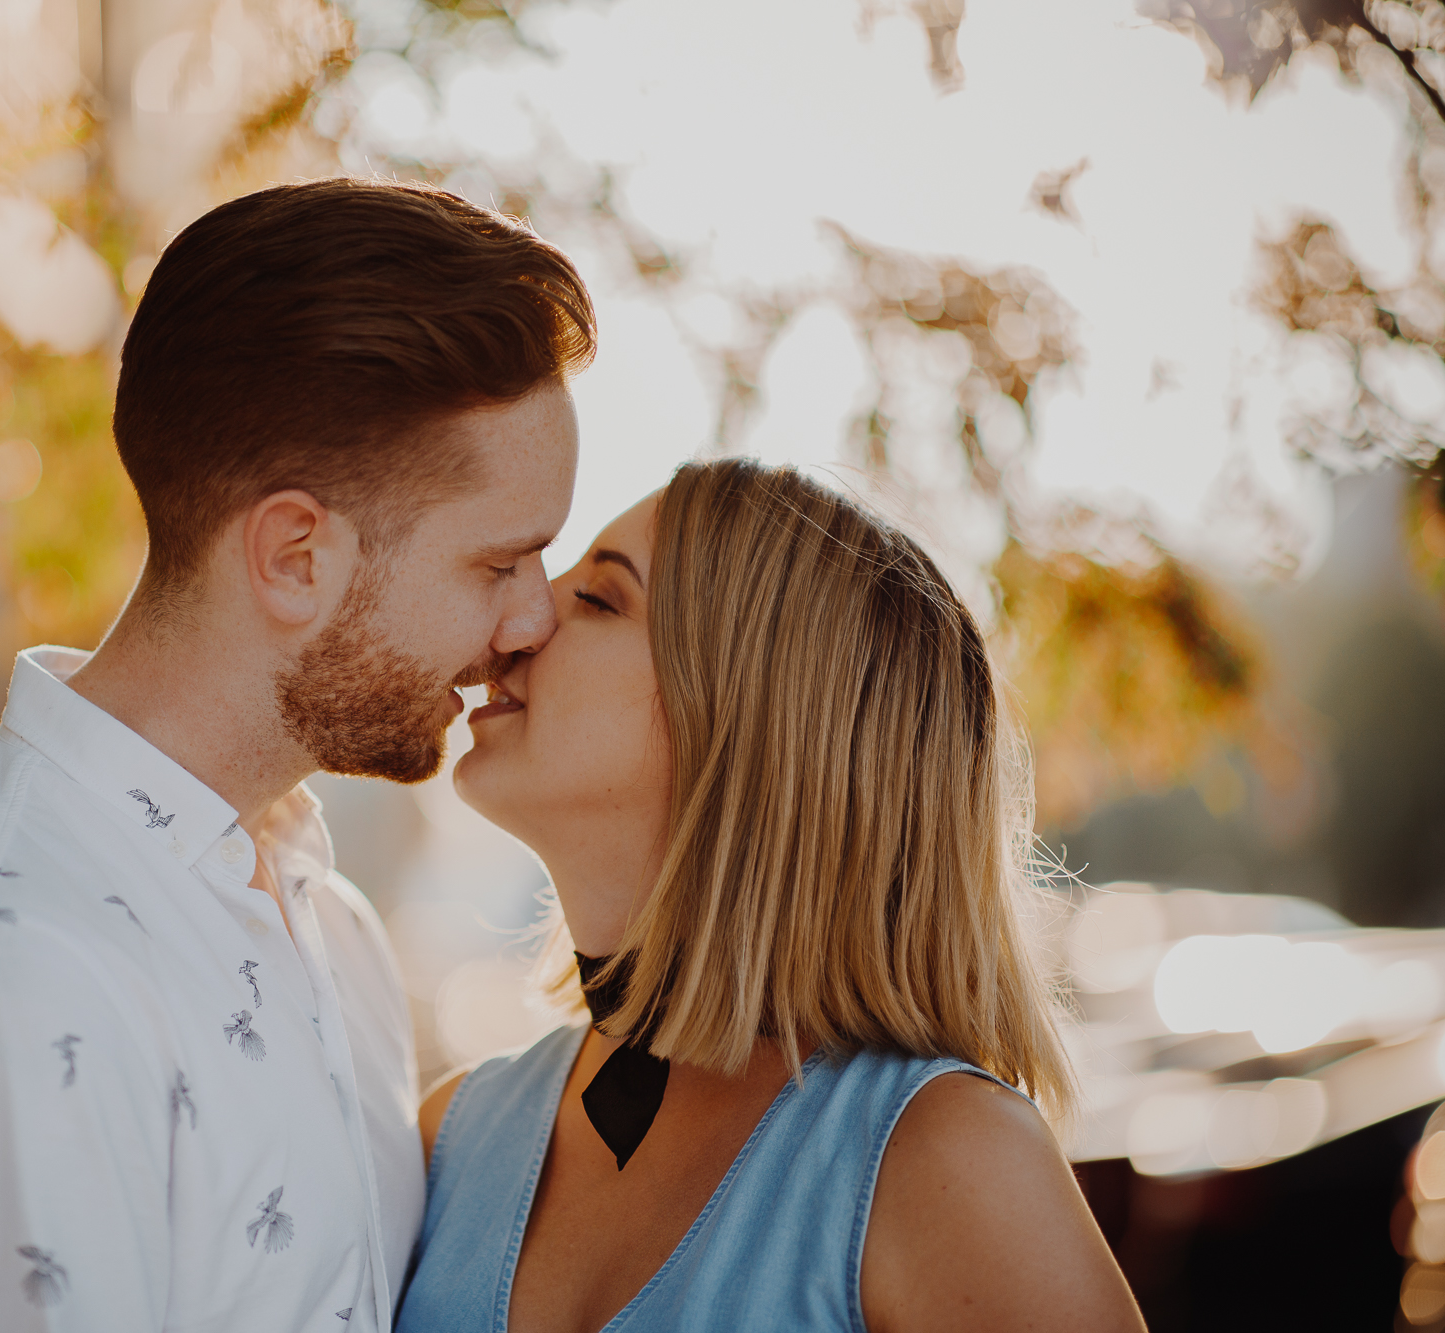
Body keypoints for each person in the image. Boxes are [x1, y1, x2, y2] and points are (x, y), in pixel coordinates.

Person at [0, 178, 594, 1332]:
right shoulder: (7, 962)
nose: (532, 620)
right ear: (295, 555)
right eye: (499, 561)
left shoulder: (328, 922)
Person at [401, 459, 1145, 1333]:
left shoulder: (944, 1162)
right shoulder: (450, 1134)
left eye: (600, 598)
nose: (517, 620)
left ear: (753, 719)